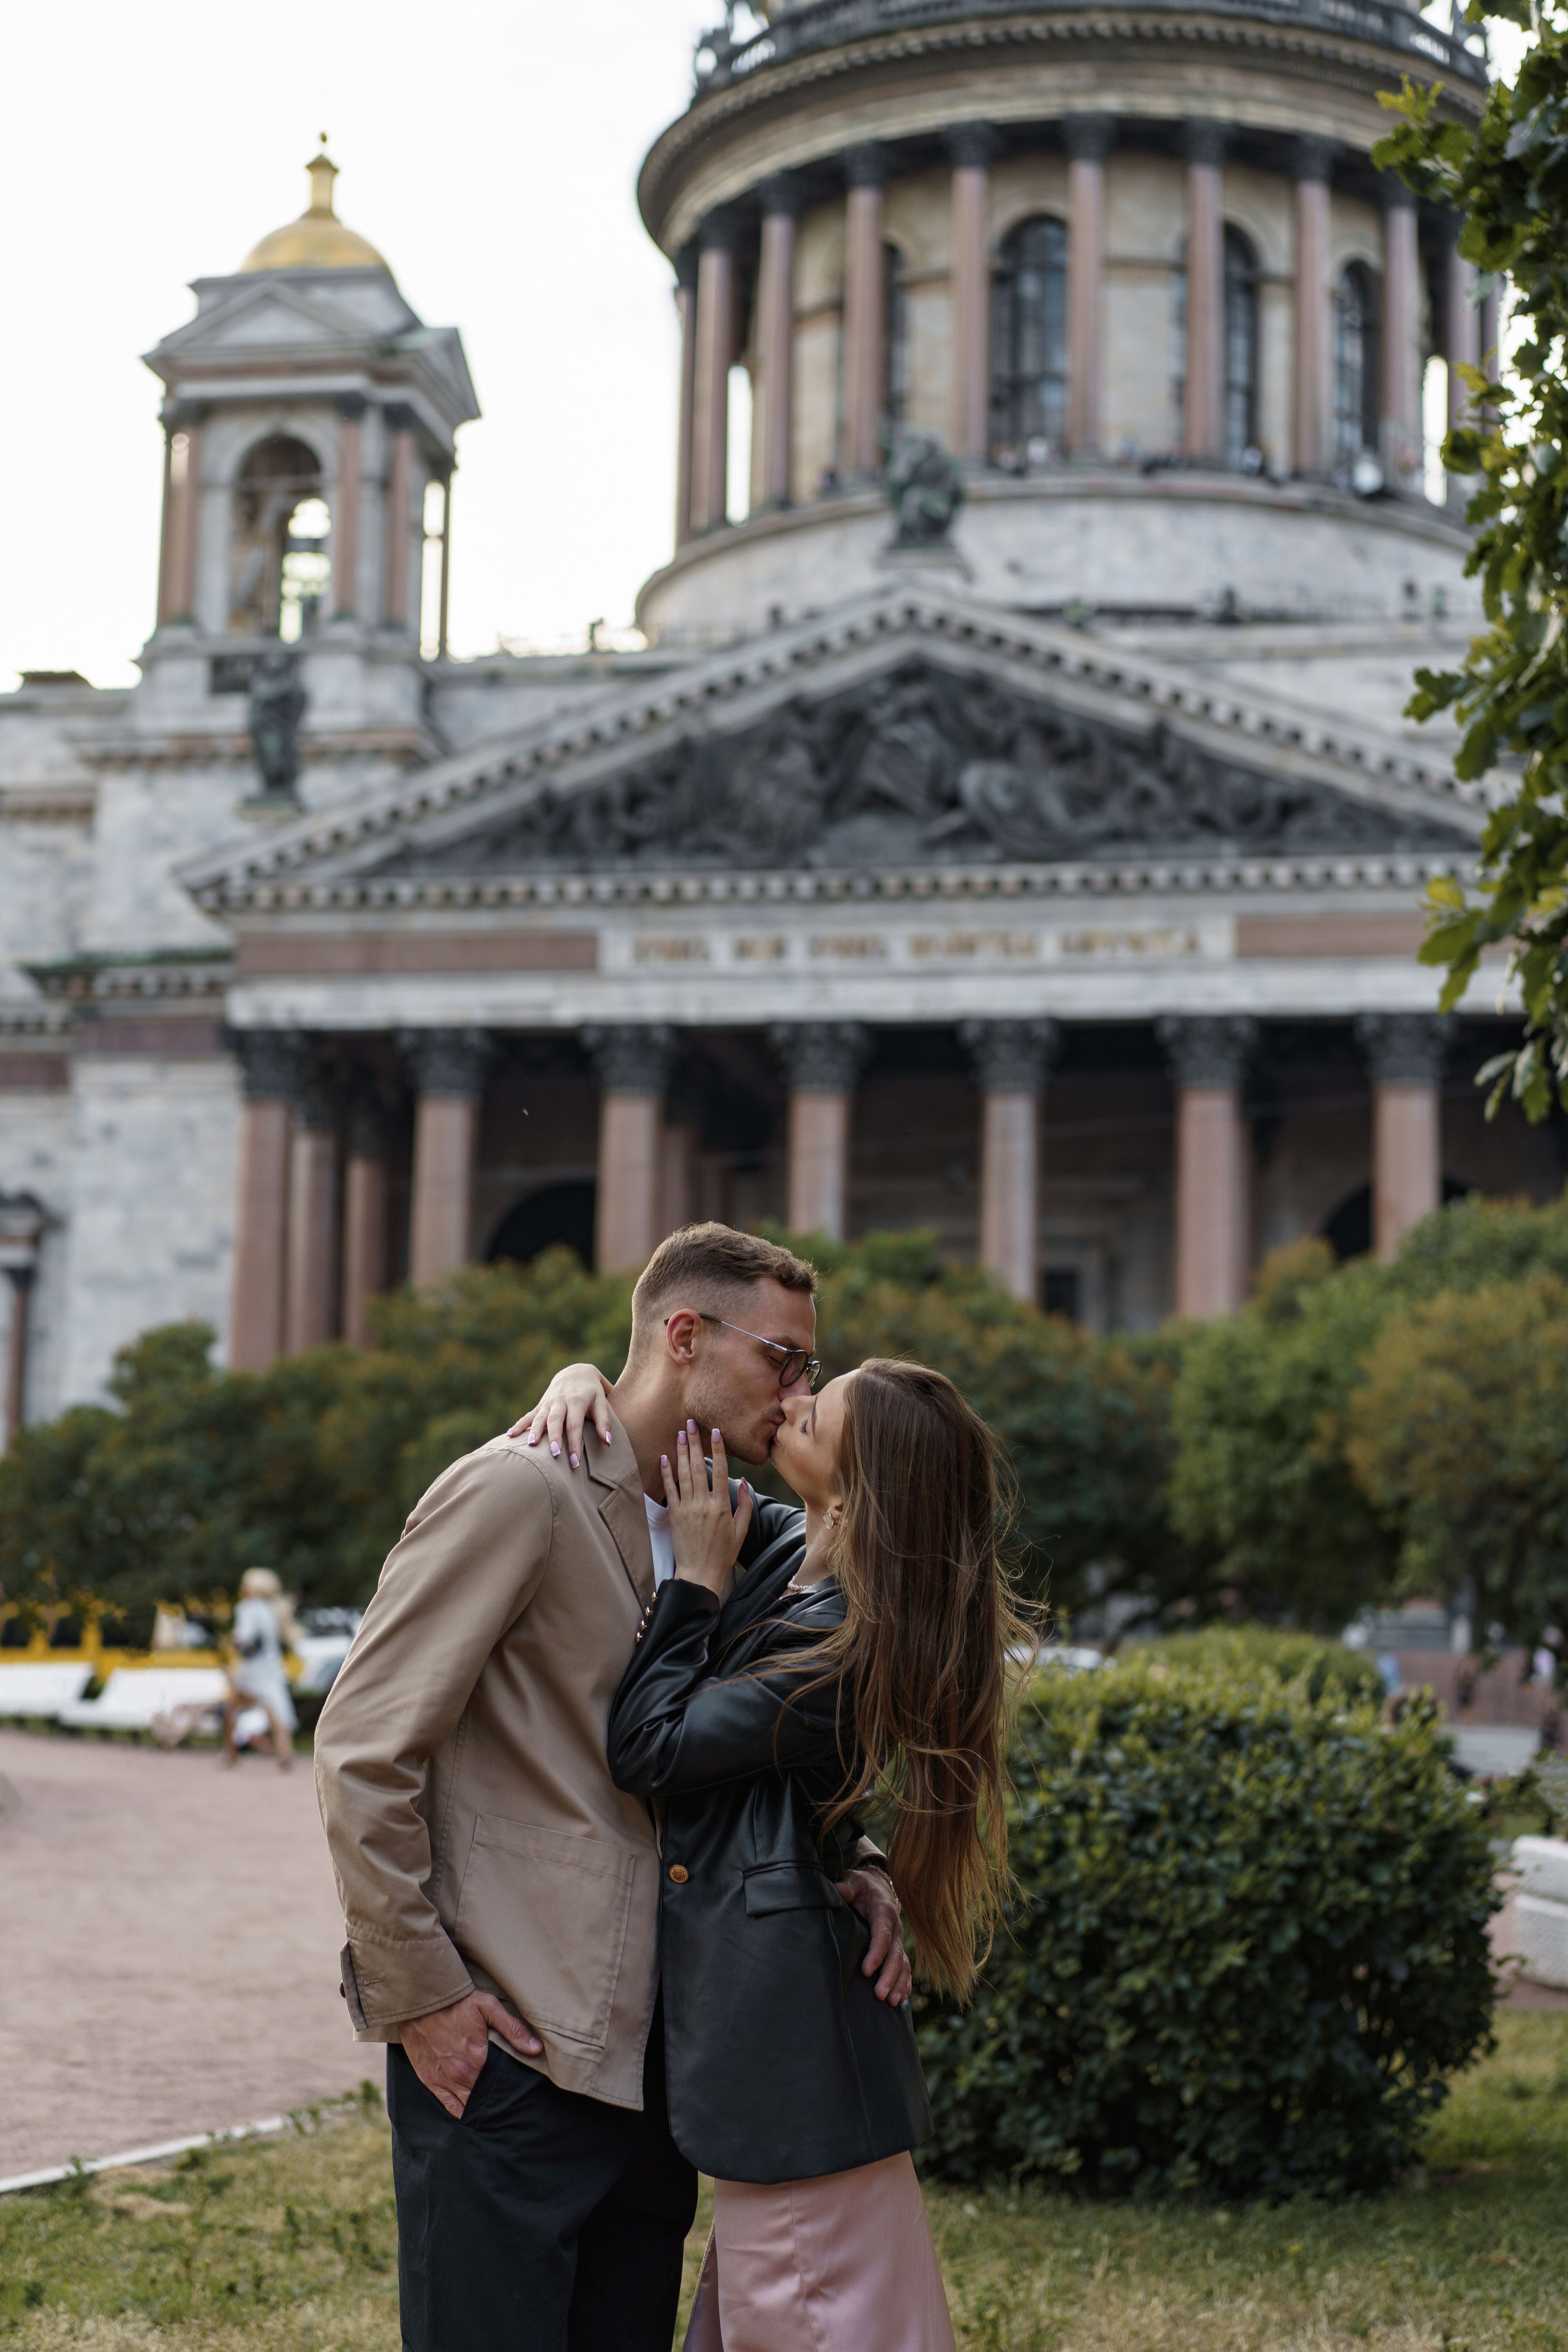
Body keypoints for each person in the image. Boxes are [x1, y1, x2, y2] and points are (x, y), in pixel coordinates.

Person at [313, 1224, 907, 2352]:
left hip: (661, 2067)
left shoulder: (727, 1527)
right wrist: (423, 1997)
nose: (800, 1391)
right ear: (685, 1335)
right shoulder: (514, 1490)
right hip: (507, 2053)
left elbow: (758, 1741)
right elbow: (364, 1746)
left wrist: (856, 1864)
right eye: (783, 1360)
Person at [524, 1353, 1028, 2351]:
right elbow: (660, 1451)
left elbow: (653, 1748)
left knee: (802, 2306)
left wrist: (699, 1586)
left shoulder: (851, 1641)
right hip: (790, 2067)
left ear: (857, 1488)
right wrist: (580, 1378)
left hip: (790, 2064)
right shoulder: (799, 1548)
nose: (789, 1404)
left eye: (812, 1417)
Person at [222, 1566, 300, 1770]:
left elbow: (244, 1637)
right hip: (271, 1666)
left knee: (233, 1709)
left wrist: (234, 1641)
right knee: (276, 1710)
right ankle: (285, 1753)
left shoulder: (248, 1608)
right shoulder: (273, 1609)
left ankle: (231, 1753)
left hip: (252, 1668)